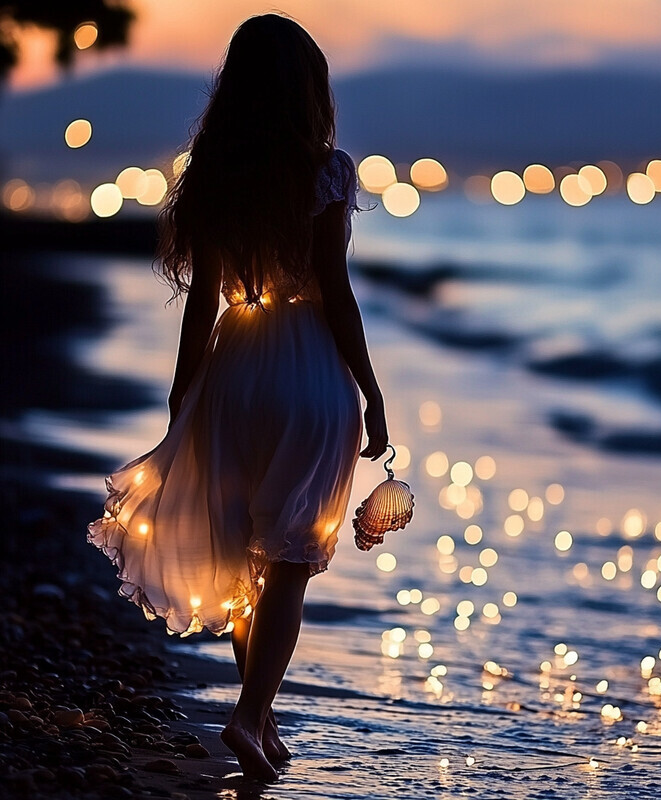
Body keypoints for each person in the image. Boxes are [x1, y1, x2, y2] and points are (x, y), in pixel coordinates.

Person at [87, 13, 388, 781]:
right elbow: (336, 292)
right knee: (285, 562)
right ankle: (250, 716)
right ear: (307, 91)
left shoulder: (213, 173)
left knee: (250, 562)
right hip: (309, 371)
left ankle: (263, 715)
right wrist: (372, 392)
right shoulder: (327, 171)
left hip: (237, 364)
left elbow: (203, 300)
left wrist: (184, 393)